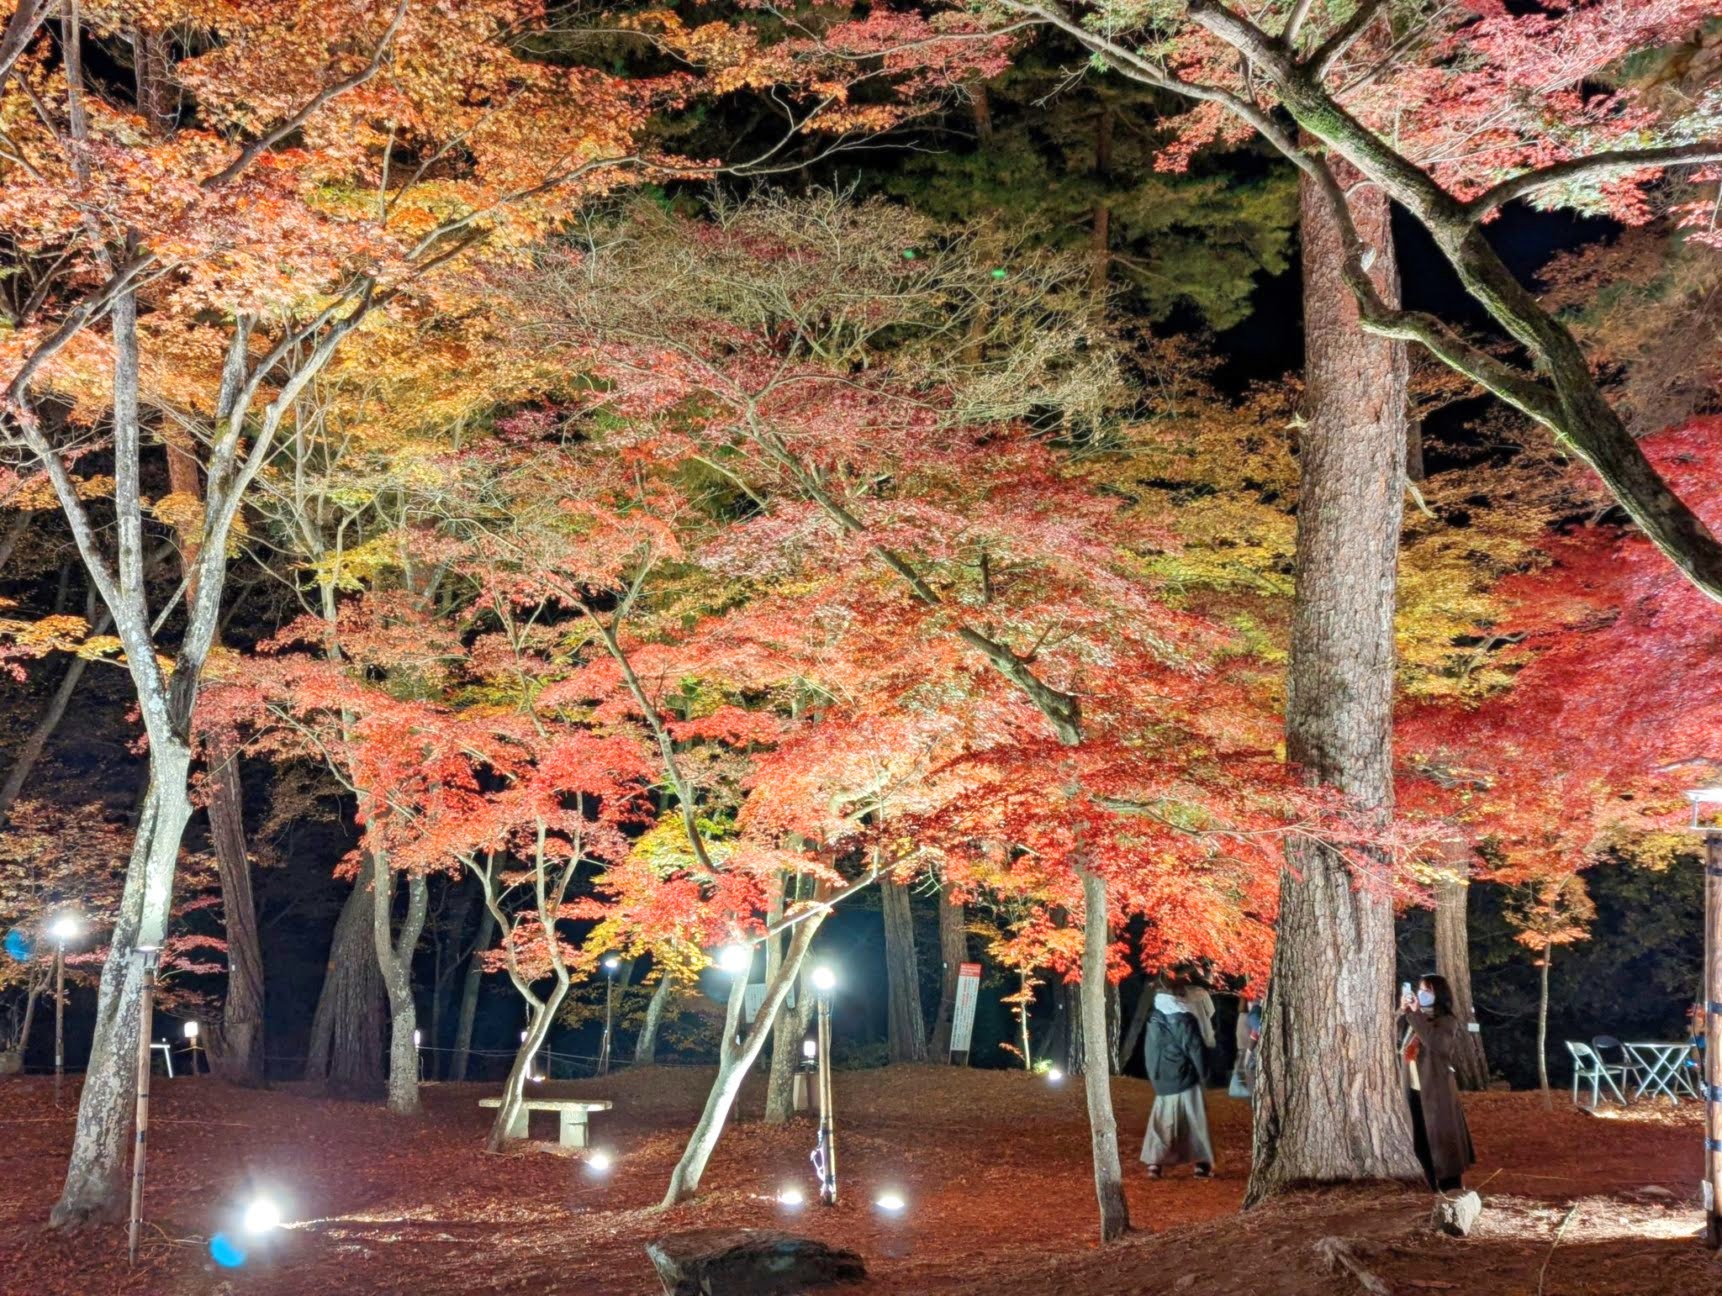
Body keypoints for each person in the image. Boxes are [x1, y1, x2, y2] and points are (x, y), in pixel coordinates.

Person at [1399, 973, 1476, 1193]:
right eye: (1420, 989)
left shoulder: (1446, 1021)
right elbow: (1396, 1039)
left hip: (1437, 1090)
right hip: (1414, 1089)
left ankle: (1452, 1187)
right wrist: (1404, 1010)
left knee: (1443, 1139)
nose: (1422, 994)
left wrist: (1415, 1015)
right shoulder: (1415, 1017)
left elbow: (1437, 1044)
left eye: (1428, 990)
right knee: (1421, 1139)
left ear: (1438, 994)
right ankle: (1431, 1185)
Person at [1141, 985, 1215, 1179]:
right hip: (1185, 1077)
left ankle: (1154, 1164)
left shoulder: (1154, 1019)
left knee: (1161, 1122)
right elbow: (1195, 1049)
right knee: (1195, 1120)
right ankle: (1201, 1163)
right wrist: (1205, 1074)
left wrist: (1154, 1074)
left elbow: (1151, 1051)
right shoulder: (1185, 1020)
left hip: (1162, 1078)